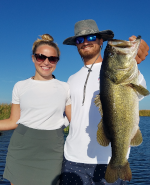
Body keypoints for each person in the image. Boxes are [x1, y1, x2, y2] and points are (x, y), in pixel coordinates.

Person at [59, 19, 149, 185]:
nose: (85, 42)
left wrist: (135, 60)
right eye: (80, 40)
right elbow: (70, 116)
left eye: (91, 37)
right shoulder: (70, 79)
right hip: (72, 158)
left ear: (101, 41)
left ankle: (120, 163)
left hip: (109, 160)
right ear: (76, 45)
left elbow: (141, 92)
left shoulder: (122, 70)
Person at [1, 34, 71, 185]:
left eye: (52, 58)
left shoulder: (65, 88)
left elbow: (75, 120)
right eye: (41, 57)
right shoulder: (20, 86)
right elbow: (13, 121)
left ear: (57, 61)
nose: (46, 62)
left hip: (53, 148)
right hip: (22, 146)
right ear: (33, 58)